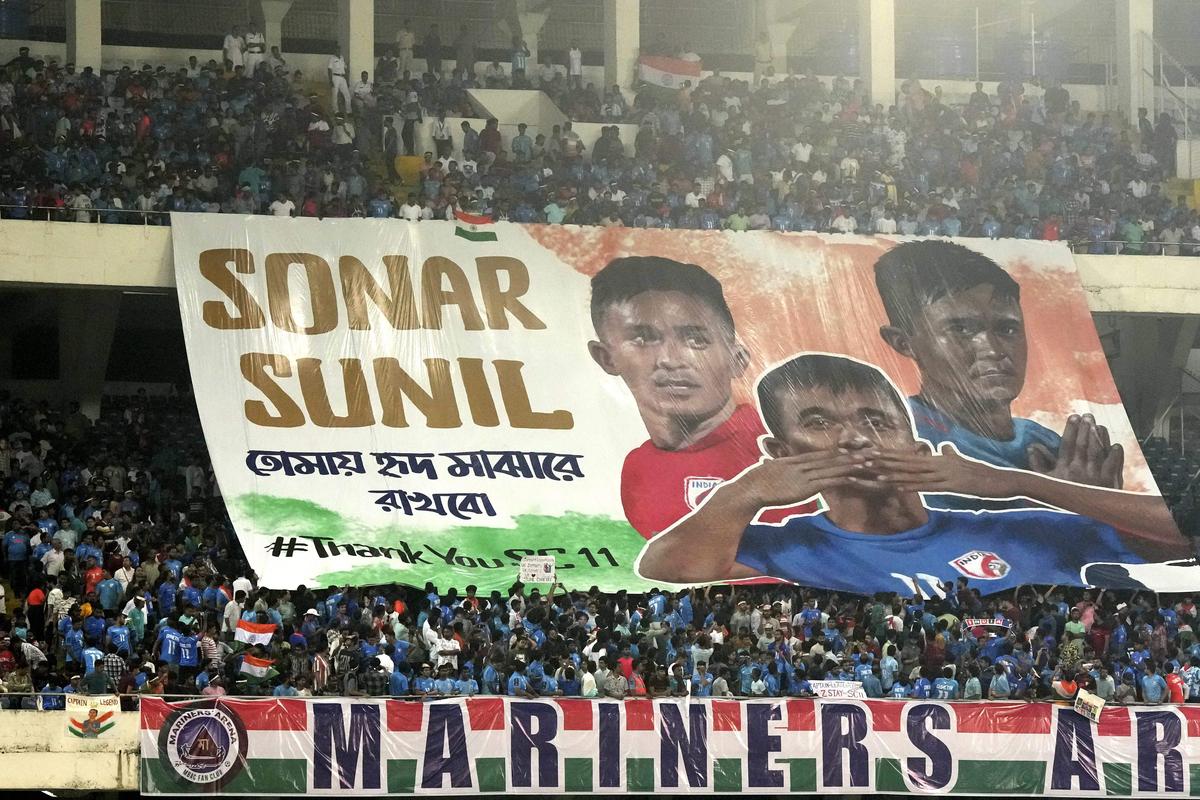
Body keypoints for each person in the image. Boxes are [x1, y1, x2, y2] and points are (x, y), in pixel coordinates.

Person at [637, 353, 1170, 593]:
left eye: (876, 421)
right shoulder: (782, 547)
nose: (856, 438)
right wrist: (746, 491)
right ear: (779, 450)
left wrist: (1021, 483)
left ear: (914, 444)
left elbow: (1182, 534)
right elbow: (665, 567)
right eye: (819, 422)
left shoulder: (1021, 527)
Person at [587, 256, 812, 539]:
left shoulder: (786, 449)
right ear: (606, 358)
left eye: (696, 340)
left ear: (737, 359)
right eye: (643, 338)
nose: (670, 360)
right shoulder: (637, 470)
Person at [328, 46, 351, 115]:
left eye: (339, 50)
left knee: (347, 95)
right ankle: (336, 111)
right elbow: (329, 69)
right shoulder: (332, 59)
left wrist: (347, 79)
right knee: (335, 95)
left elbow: (345, 68)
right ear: (334, 51)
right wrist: (330, 80)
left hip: (342, 78)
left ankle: (349, 111)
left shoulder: (342, 58)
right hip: (335, 77)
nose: (338, 51)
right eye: (336, 50)